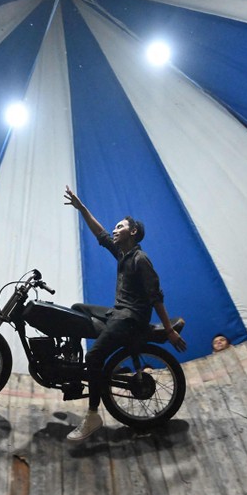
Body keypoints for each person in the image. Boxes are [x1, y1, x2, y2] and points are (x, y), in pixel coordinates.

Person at [63, 186, 185, 441]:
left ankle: (93, 415)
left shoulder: (141, 259)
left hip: (130, 318)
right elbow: (100, 233)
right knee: (75, 311)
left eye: (120, 226)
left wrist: (170, 330)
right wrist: (81, 207)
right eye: (115, 227)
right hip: (117, 313)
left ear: (133, 232)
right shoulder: (122, 253)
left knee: (95, 356)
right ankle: (74, 370)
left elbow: (156, 298)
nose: (114, 230)